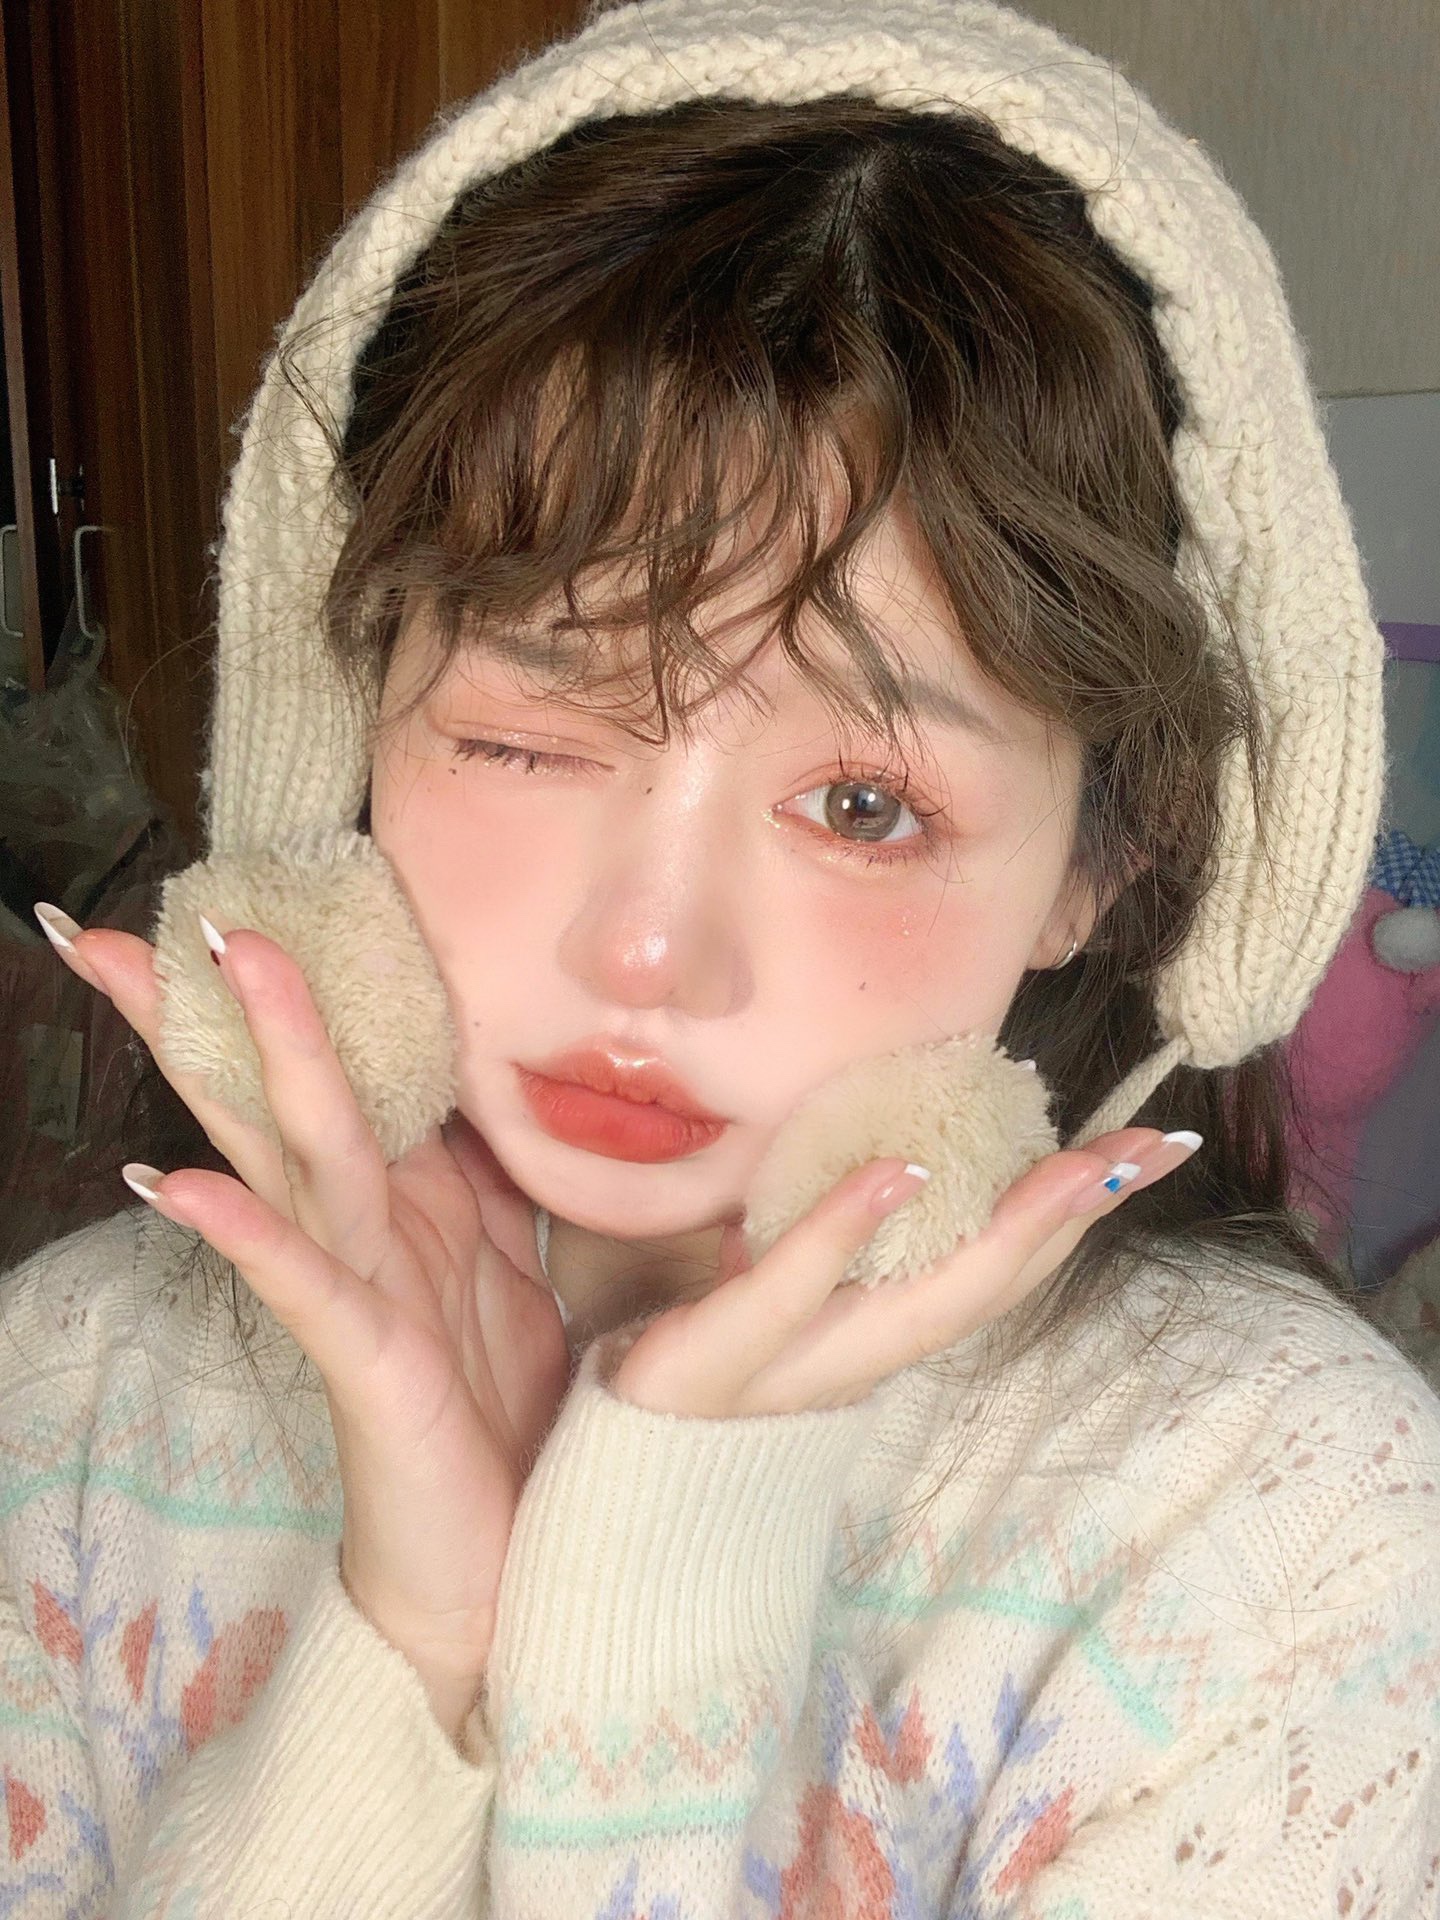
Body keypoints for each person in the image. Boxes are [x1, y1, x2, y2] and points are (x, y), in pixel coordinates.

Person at [4, 0, 1438, 1911]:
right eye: (526, 730)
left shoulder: (1291, 1530)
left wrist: (646, 1591)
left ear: (1098, 869)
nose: (648, 949)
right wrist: (403, 1645)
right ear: (347, 724)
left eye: (862, 803)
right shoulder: (71, 1391)